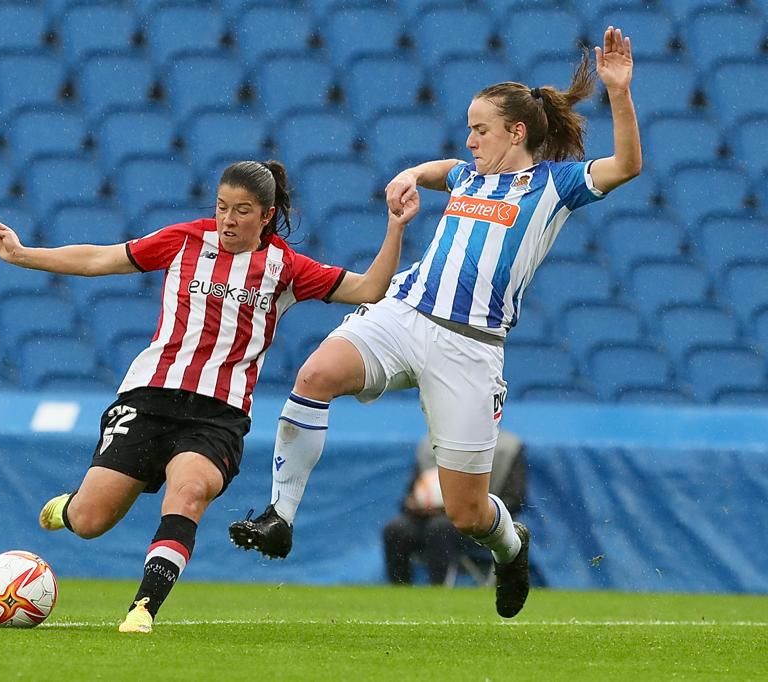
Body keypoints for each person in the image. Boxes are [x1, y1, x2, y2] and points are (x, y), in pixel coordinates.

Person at [229, 26, 642, 619]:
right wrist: (410, 174)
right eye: (469, 129)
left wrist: (618, 92)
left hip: (470, 347)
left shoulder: (554, 184)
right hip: (404, 314)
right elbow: (442, 168)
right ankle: (280, 516)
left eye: (480, 129)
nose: (470, 140)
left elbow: (627, 165)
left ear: (516, 132)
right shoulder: (468, 176)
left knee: (467, 513)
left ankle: (512, 546)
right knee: (315, 375)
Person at [0, 160, 420, 634]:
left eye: (242, 211)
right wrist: (22, 254)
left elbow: (369, 288)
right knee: (90, 521)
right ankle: (70, 507)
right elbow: (99, 259)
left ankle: (143, 608)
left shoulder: (286, 268)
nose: (228, 220)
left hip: (218, 415)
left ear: (266, 215)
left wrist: (395, 228)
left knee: (188, 493)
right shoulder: (185, 239)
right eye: (222, 207)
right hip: (149, 397)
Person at [383, 431, 526, 586]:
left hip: (477, 521)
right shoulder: (429, 446)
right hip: (429, 518)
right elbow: (410, 496)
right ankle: (399, 589)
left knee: (439, 528)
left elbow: (513, 500)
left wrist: (471, 506)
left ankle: (439, 588)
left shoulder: (508, 448)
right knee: (396, 530)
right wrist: (416, 505)